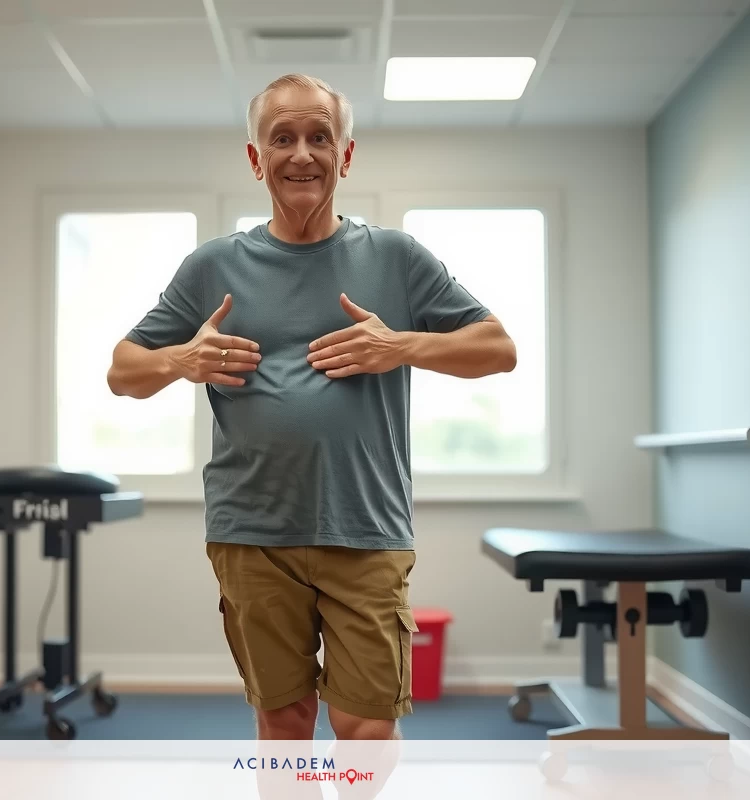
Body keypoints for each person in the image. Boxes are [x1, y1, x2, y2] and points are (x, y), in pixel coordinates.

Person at [107, 73, 516, 749]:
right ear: (255, 158)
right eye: (283, 138)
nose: (302, 154)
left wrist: (401, 345)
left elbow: (497, 348)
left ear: (346, 156)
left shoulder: (395, 257)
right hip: (252, 531)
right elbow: (123, 371)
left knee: (366, 728)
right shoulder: (212, 267)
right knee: (285, 723)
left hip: (366, 525)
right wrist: (182, 361)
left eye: (319, 137)